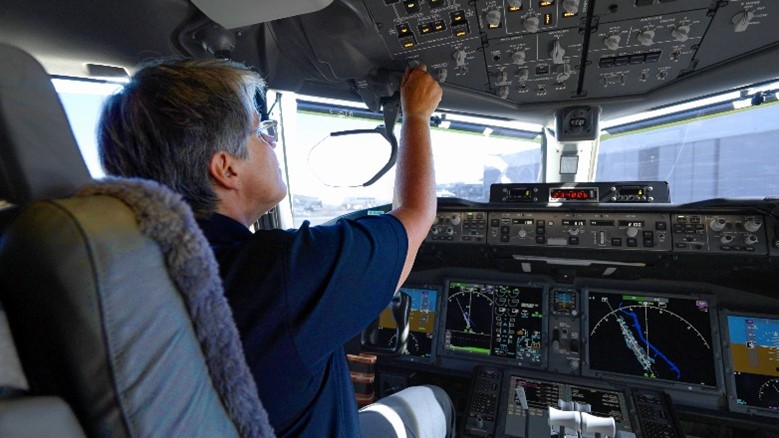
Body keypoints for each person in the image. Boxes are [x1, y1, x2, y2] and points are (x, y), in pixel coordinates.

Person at [97, 58, 453, 437]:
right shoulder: (282, 272)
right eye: (263, 131)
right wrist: (416, 115)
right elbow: (416, 215)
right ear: (226, 168)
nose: (272, 140)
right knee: (435, 401)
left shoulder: (124, 276)